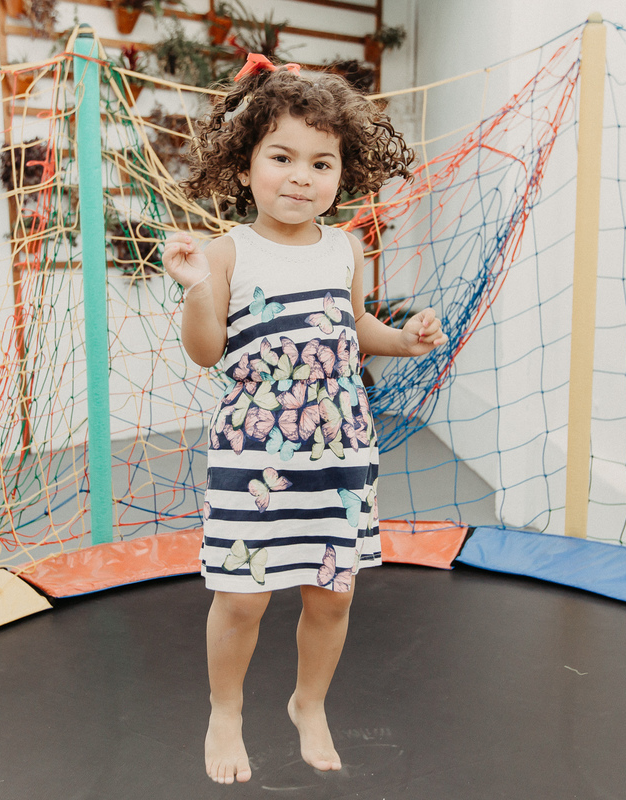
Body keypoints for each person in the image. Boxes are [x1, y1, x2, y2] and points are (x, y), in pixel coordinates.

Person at [161, 53, 449, 785]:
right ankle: (225, 711)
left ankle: (308, 703)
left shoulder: (345, 246)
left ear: (342, 172)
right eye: (281, 157)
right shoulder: (228, 252)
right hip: (256, 450)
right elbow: (206, 351)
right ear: (245, 163)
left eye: (321, 163)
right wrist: (196, 289)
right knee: (242, 599)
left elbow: (355, 327)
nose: (300, 177)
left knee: (331, 596)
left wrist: (404, 338)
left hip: (339, 448)